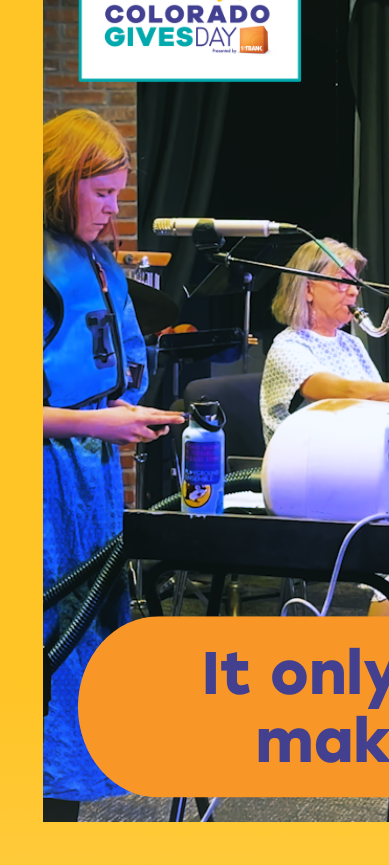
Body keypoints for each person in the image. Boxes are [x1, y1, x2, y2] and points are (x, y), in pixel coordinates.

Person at [43, 110, 187, 821]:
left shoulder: (99, 263)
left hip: (91, 476)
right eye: (100, 194)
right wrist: (95, 421)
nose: (111, 210)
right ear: (59, 183)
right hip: (42, 483)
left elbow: (115, 364)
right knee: (49, 639)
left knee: (86, 632)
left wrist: (127, 413)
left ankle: (61, 808)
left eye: (118, 196)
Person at [260, 239, 389, 615]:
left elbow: (372, 408)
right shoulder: (288, 347)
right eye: (341, 281)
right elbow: (346, 392)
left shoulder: (351, 345)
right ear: (307, 289)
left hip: (356, 472)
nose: (354, 291)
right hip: (309, 482)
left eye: (354, 282)